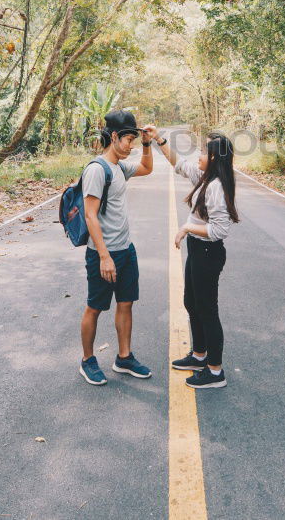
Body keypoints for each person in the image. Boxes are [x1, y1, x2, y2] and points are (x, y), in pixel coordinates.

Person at [155, 131, 239, 389]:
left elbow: (219, 231)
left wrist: (187, 228)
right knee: (191, 302)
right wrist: (159, 140)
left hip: (207, 253)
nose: (199, 156)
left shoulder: (215, 187)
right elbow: (179, 164)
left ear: (214, 158)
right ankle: (199, 355)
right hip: (198, 250)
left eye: (203, 152)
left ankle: (215, 372)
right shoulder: (205, 178)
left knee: (207, 311)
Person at [79, 110, 156, 386]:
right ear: (114, 136)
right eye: (129, 139)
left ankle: (124, 357)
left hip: (126, 250)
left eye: (135, 139)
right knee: (95, 307)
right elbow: (90, 215)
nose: (132, 145)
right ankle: (87, 360)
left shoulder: (120, 167)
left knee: (126, 303)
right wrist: (104, 256)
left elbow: (147, 168)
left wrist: (148, 144)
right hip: (104, 254)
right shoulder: (97, 170)